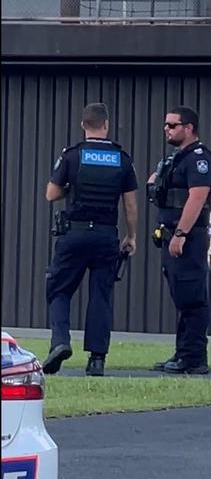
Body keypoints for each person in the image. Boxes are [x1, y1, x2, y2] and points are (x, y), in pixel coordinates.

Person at [42, 102, 139, 377]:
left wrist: (72, 188)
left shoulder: (72, 156)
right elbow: (130, 205)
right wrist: (131, 237)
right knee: (100, 296)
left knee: (59, 289)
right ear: (106, 125)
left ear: (84, 125)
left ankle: (60, 341)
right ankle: (97, 360)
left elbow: (51, 194)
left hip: (75, 233)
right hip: (107, 236)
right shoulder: (122, 158)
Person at [148, 105, 211, 375]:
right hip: (170, 235)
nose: (167, 129)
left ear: (188, 128)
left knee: (192, 296)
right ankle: (183, 352)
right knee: (181, 296)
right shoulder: (176, 159)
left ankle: (193, 357)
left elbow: (198, 197)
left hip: (187, 237)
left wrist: (181, 234)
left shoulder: (199, 158)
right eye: (166, 125)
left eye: (173, 125)